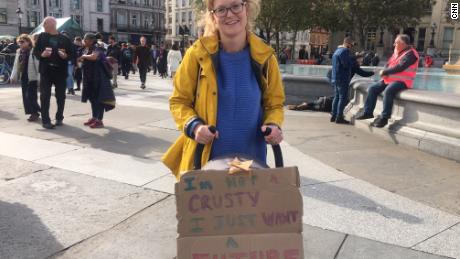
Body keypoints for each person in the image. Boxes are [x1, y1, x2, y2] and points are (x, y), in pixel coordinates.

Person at [162, 0, 285, 179]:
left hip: (252, 163)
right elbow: (179, 100)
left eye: (236, 6)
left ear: (247, 8)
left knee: (248, 206)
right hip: (206, 164)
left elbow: (275, 103)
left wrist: (273, 124)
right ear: (213, 16)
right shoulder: (196, 54)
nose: (229, 14)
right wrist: (195, 127)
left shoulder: (266, 57)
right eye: (221, 9)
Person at [355, 34, 419, 128]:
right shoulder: (397, 51)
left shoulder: (411, 54)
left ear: (403, 43)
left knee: (388, 91)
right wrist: (385, 70)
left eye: (396, 42)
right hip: (390, 79)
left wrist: (385, 71)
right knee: (372, 88)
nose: (394, 44)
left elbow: (401, 67)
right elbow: (389, 63)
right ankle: (368, 112)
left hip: (403, 81)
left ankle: (384, 118)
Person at [33, 16, 73, 129]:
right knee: (45, 96)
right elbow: (35, 51)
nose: (43, 26)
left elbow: (72, 54)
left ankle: (59, 117)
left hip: (60, 71)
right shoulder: (42, 37)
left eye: (44, 24)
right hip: (46, 71)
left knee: (61, 96)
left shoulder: (64, 39)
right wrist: (42, 55)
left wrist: (65, 56)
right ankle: (46, 121)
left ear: (51, 25)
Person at [78, 33, 116, 129]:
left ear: (90, 41)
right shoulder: (86, 49)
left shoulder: (97, 48)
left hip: (99, 78)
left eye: (85, 39)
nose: (83, 41)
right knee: (92, 99)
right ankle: (94, 117)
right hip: (90, 78)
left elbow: (94, 57)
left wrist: (83, 56)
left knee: (100, 99)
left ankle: (99, 120)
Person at [10, 34, 41, 122]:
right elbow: (16, 65)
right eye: (19, 42)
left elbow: (38, 65)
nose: (20, 44)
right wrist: (13, 76)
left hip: (32, 77)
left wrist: (39, 78)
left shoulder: (33, 51)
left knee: (30, 96)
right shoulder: (19, 51)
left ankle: (37, 111)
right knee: (25, 96)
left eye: (22, 42)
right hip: (24, 76)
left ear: (28, 42)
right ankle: (33, 113)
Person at [330, 37, 354, 124]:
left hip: (335, 77)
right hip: (342, 78)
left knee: (336, 97)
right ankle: (339, 117)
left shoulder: (337, 51)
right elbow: (346, 65)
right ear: (347, 43)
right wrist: (353, 62)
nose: (351, 47)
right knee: (342, 98)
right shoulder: (344, 51)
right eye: (351, 45)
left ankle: (333, 115)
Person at [61, 31, 76, 95]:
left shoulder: (71, 44)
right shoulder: (60, 44)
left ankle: (71, 88)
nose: (64, 36)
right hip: (61, 62)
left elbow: (74, 54)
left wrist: (75, 63)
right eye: (63, 35)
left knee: (69, 74)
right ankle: (69, 88)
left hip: (69, 62)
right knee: (64, 76)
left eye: (65, 35)